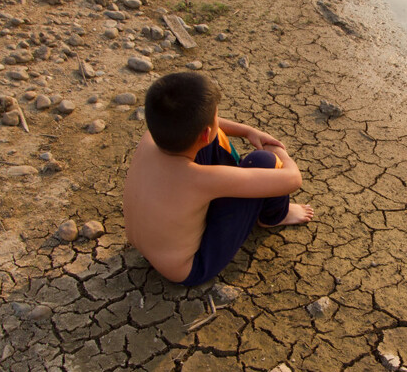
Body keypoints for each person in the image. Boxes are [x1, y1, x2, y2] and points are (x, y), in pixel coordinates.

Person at [124, 72, 314, 285]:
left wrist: (247, 131)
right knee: (264, 160)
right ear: (205, 133)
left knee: (212, 138)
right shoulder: (201, 180)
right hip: (191, 268)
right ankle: (275, 216)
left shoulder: (151, 137)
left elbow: (203, 126)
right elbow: (292, 179)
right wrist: (279, 151)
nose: (218, 120)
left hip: (148, 246)